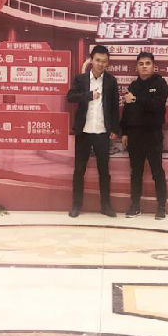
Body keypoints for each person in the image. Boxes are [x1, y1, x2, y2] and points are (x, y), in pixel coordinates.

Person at [65, 44, 120, 218]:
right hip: (84, 132)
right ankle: (76, 205)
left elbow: (114, 107)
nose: (100, 64)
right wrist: (88, 95)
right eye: (98, 60)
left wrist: (115, 129)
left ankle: (105, 206)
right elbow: (70, 97)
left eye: (104, 61)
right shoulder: (81, 79)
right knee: (79, 170)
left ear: (107, 63)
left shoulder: (111, 81)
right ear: (91, 60)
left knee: (104, 171)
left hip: (102, 132)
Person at [120, 51, 168, 220]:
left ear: (154, 66)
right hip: (135, 135)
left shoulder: (160, 83)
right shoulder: (133, 86)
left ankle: (161, 207)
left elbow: (157, 106)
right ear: (136, 67)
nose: (144, 67)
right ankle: (135, 206)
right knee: (136, 172)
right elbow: (127, 111)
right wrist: (124, 132)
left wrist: (136, 100)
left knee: (157, 171)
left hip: (153, 134)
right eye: (141, 64)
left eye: (148, 63)